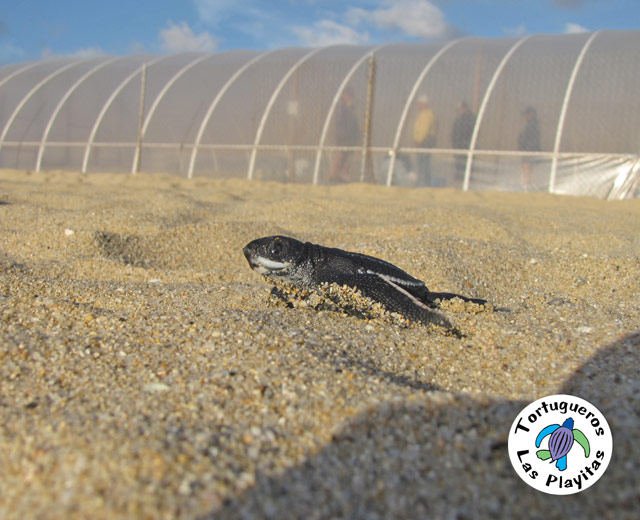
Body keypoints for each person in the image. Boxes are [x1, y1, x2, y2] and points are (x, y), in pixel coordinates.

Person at [331, 88, 359, 183]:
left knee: (348, 156)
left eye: (350, 96)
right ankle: (334, 176)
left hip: (350, 137)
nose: (349, 98)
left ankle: (344, 176)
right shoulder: (341, 107)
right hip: (342, 137)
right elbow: (340, 122)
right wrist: (343, 134)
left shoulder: (351, 108)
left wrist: (355, 135)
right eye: (347, 95)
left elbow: (354, 123)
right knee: (340, 155)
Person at [412, 95, 437, 187]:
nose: (418, 106)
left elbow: (424, 129)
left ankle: (424, 184)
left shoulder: (427, 115)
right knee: (422, 163)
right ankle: (423, 183)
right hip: (423, 142)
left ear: (424, 104)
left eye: (419, 104)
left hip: (425, 142)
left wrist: (419, 140)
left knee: (423, 164)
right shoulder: (423, 114)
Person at [451, 101, 476, 187]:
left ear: (465, 109)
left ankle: (467, 186)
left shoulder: (471, 119)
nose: (459, 111)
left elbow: (470, 133)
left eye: (461, 109)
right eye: (458, 110)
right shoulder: (458, 120)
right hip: (459, 149)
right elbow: (454, 133)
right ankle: (458, 186)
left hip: (467, 148)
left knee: (468, 168)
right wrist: (455, 146)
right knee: (458, 168)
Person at [518, 106, 541, 191]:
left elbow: (528, 139)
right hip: (530, 150)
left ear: (531, 115)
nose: (525, 117)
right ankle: (529, 186)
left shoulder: (531, 125)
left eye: (526, 115)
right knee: (528, 169)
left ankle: (527, 187)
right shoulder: (533, 125)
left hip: (529, 151)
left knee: (527, 168)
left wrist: (524, 147)